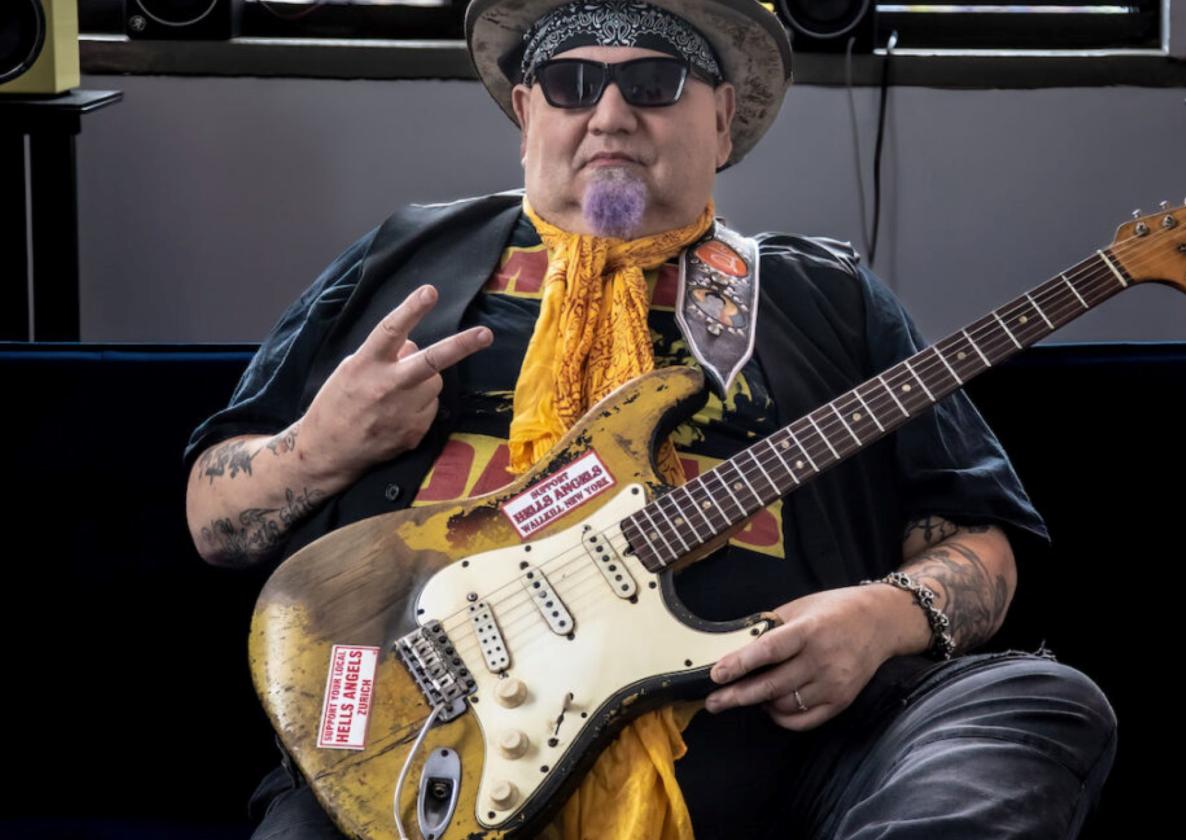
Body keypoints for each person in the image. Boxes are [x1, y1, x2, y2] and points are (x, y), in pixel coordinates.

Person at [185, 1, 1117, 837]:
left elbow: (977, 544)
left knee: (1041, 699)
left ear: (721, 116)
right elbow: (212, 519)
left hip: (771, 748)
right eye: (571, 81)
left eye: (653, 80)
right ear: (526, 117)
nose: (610, 113)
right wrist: (318, 448)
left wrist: (884, 615)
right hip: (417, 730)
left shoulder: (825, 296)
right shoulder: (408, 258)